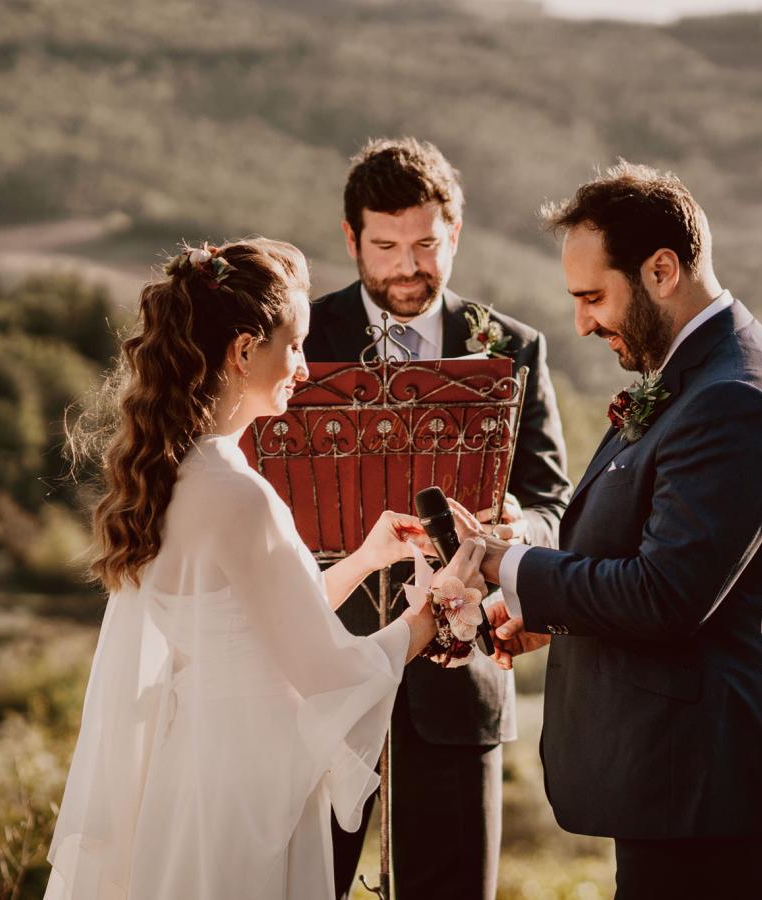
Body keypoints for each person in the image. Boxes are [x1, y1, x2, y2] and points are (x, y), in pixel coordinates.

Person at [44, 238, 488, 898]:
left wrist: (367, 560)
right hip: (246, 789)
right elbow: (328, 672)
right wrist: (430, 614)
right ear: (244, 350)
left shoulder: (174, 473)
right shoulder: (239, 495)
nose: (305, 369)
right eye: (295, 344)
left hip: (186, 775)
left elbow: (254, 623)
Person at [480, 161, 762, 899]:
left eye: (594, 297)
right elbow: (644, 552)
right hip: (678, 781)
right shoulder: (695, 375)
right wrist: (546, 612)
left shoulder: (736, 398)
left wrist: (512, 566)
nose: (583, 322)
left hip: (714, 791)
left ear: (662, 270)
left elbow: (665, 595)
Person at [304, 137, 572, 899]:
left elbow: (555, 501)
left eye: (425, 244)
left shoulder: (515, 347)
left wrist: (522, 525)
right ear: (352, 239)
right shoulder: (299, 344)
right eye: (385, 246)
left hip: (459, 689)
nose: (407, 266)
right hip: (320, 675)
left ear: (454, 234)